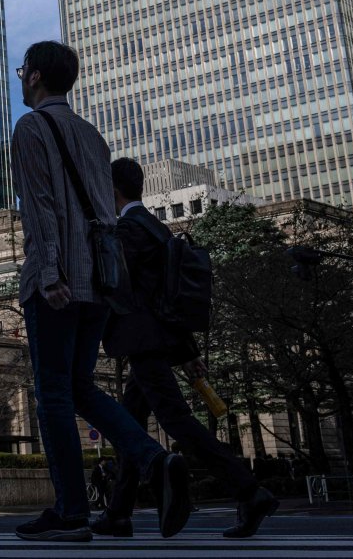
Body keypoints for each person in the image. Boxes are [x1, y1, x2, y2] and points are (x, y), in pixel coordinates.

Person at [11, 41, 191, 543]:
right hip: (98, 281)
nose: (21, 77)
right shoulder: (93, 135)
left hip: (59, 279)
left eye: (23, 70)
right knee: (81, 387)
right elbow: (104, 213)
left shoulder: (30, 128)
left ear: (38, 76)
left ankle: (71, 511)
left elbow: (40, 206)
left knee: (52, 393)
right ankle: (155, 460)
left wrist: (48, 273)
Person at [91, 157, 277, 540]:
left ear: (112, 190)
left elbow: (114, 284)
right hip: (159, 339)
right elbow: (168, 297)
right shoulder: (155, 227)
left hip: (143, 341)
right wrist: (188, 351)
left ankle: (249, 489)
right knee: (130, 424)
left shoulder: (129, 229)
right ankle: (119, 512)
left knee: (177, 421)